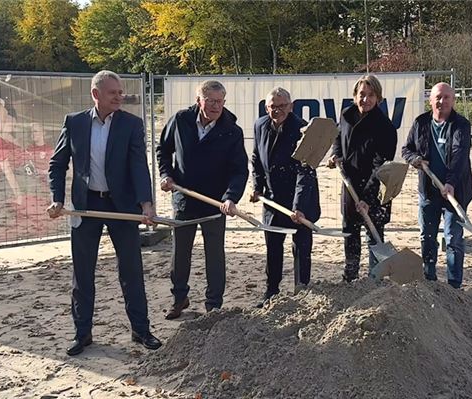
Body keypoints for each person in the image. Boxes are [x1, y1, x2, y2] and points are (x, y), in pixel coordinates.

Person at [47, 70, 162, 356]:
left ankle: (141, 330)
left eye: (121, 92)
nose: (119, 97)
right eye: (113, 93)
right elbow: (57, 164)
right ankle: (82, 334)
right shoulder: (74, 123)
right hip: (86, 206)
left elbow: (138, 166)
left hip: (121, 206)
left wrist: (146, 204)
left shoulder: (131, 125)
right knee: (82, 273)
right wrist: (57, 199)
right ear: (96, 94)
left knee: (131, 270)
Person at [157, 80, 248, 318]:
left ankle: (213, 305)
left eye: (220, 102)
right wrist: (166, 175)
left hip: (215, 203)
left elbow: (239, 170)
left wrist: (230, 197)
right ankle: (179, 298)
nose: (216, 106)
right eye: (211, 101)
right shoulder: (180, 120)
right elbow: (163, 151)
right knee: (180, 253)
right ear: (200, 100)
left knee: (215, 255)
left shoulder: (231, 131)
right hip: (184, 199)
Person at [250, 87, 320, 307]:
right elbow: (256, 158)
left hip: (301, 199)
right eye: (273, 106)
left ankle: (301, 291)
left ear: (291, 106)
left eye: (282, 106)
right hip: (272, 199)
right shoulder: (260, 125)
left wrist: (298, 206)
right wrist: (257, 186)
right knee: (273, 245)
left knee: (301, 246)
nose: (277, 110)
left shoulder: (303, 130)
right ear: (266, 107)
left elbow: (305, 171)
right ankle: (272, 291)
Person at [401, 82, 472, 289]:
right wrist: (414, 158)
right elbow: (406, 149)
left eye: (446, 97)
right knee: (427, 235)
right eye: (438, 98)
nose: (442, 101)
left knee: (453, 238)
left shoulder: (461, 125)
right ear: (431, 100)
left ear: (453, 100)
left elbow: (460, 156)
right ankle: (429, 278)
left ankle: (453, 285)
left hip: (455, 191)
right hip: (429, 191)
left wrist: (450, 183)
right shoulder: (421, 123)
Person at [328, 74, 397, 282]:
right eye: (361, 95)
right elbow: (338, 138)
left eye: (370, 95)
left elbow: (381, 167)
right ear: (355, 96)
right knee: (349, 230)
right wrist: (336, 155)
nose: (365, 100)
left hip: (375, 188)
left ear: (378, 98)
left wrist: (368, 197)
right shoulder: (347, 115)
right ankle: (350, 275)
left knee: (373, 232)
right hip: (349, 185)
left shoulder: (385, 127)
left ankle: (374, 278)